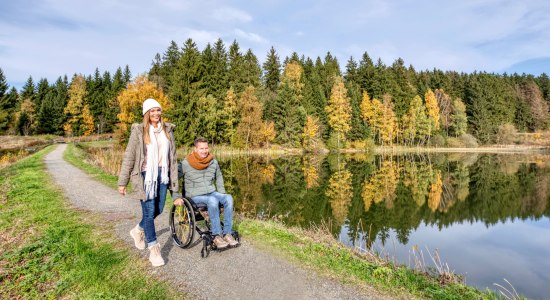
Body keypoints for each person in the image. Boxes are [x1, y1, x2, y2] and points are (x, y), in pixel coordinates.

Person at [118, 98, 181, 267]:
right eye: (152, 111)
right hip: (146, 176)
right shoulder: (139, 131)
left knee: (158, 209)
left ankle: (138, 230)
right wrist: (122, 182)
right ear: (146, 113)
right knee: (149, 211)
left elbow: (173, 159)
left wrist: (175, 186)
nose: (156, 114)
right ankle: (154, 250)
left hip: (163, 175)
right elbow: (129, 157)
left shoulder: (168, 131)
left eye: (158, 110)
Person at [177, 137, 239, 249]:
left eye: (206, 148)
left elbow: (219, 177)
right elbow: (173, 178)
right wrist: (176, 196)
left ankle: (227, 233)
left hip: (211, 192)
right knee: (212, 200)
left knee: (228, 198)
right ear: (195, 149)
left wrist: (222, 193)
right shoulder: (186, 163)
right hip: (194, 196)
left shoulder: (213, 162)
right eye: (201, 148)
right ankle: (216, 235)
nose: (204, 151)